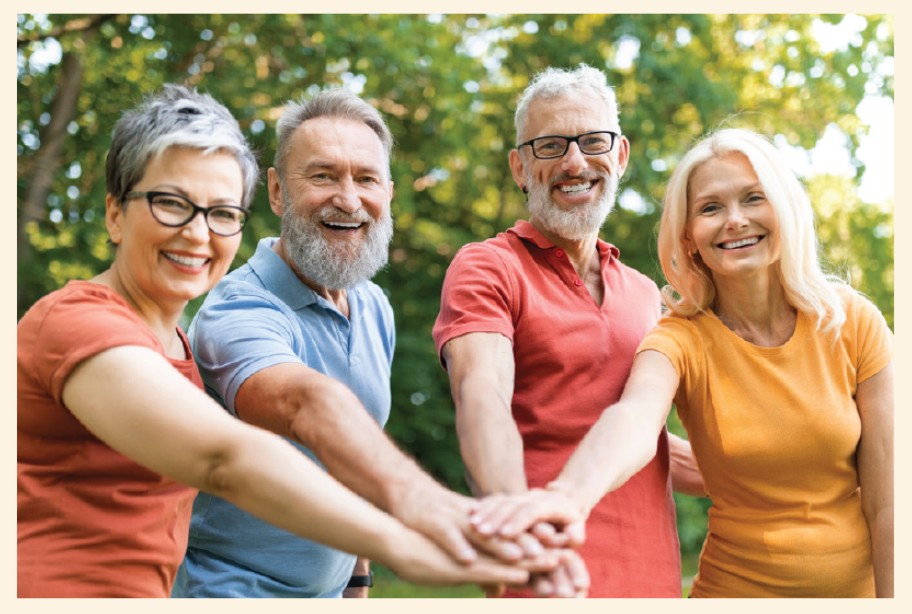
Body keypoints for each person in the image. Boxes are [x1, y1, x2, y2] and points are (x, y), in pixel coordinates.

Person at [16, 84, 534, 598]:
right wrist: (413, 529)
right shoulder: (81, 323)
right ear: (114, 214)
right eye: (171, 204)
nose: (198, 234)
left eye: (221, 213)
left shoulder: (174, 344)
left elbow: (354, 449)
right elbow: (234, 453)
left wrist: (358, 581)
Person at [171, 88, 585, 598]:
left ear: (388, 192)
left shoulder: (372, 306)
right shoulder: (237, 309)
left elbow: (356, 446)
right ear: (277, 192)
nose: (348, 198)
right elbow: (310, 407)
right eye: (322, 176)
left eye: (365, 178)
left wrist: (358, 579)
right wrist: (439, 513)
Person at [470, 127, 894, 597]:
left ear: (785, 209)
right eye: (711, 208)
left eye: (754, 199)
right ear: (689, 236)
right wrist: (567, 498)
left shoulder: (852, 322)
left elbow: (890, 505)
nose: (734, 220)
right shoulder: (679, 337)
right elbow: (633, 421)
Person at [433, 64, 704, 598]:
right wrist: (523, 536)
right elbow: (481, 397)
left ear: (620, 155)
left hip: (652, 584)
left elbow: (640, 440)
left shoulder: (647, 293)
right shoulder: (489, 266)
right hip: (545, 578)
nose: (575, 162)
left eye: (592, 141)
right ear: (520, 167)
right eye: (551, 145)